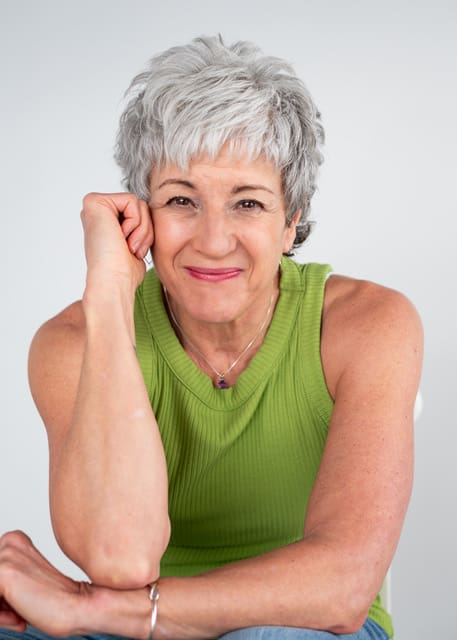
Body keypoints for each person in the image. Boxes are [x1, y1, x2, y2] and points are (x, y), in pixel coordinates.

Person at [0, 35, 422, 640]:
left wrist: (100, 610)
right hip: (125, 622)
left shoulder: (368, 324)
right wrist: (110, 294)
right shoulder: (73, 342)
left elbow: (343, 588)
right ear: (140, 213)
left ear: (290, 222)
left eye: (247, 203)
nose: (213, 239)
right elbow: (119, 561)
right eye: (180, 200)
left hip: (298, 625)